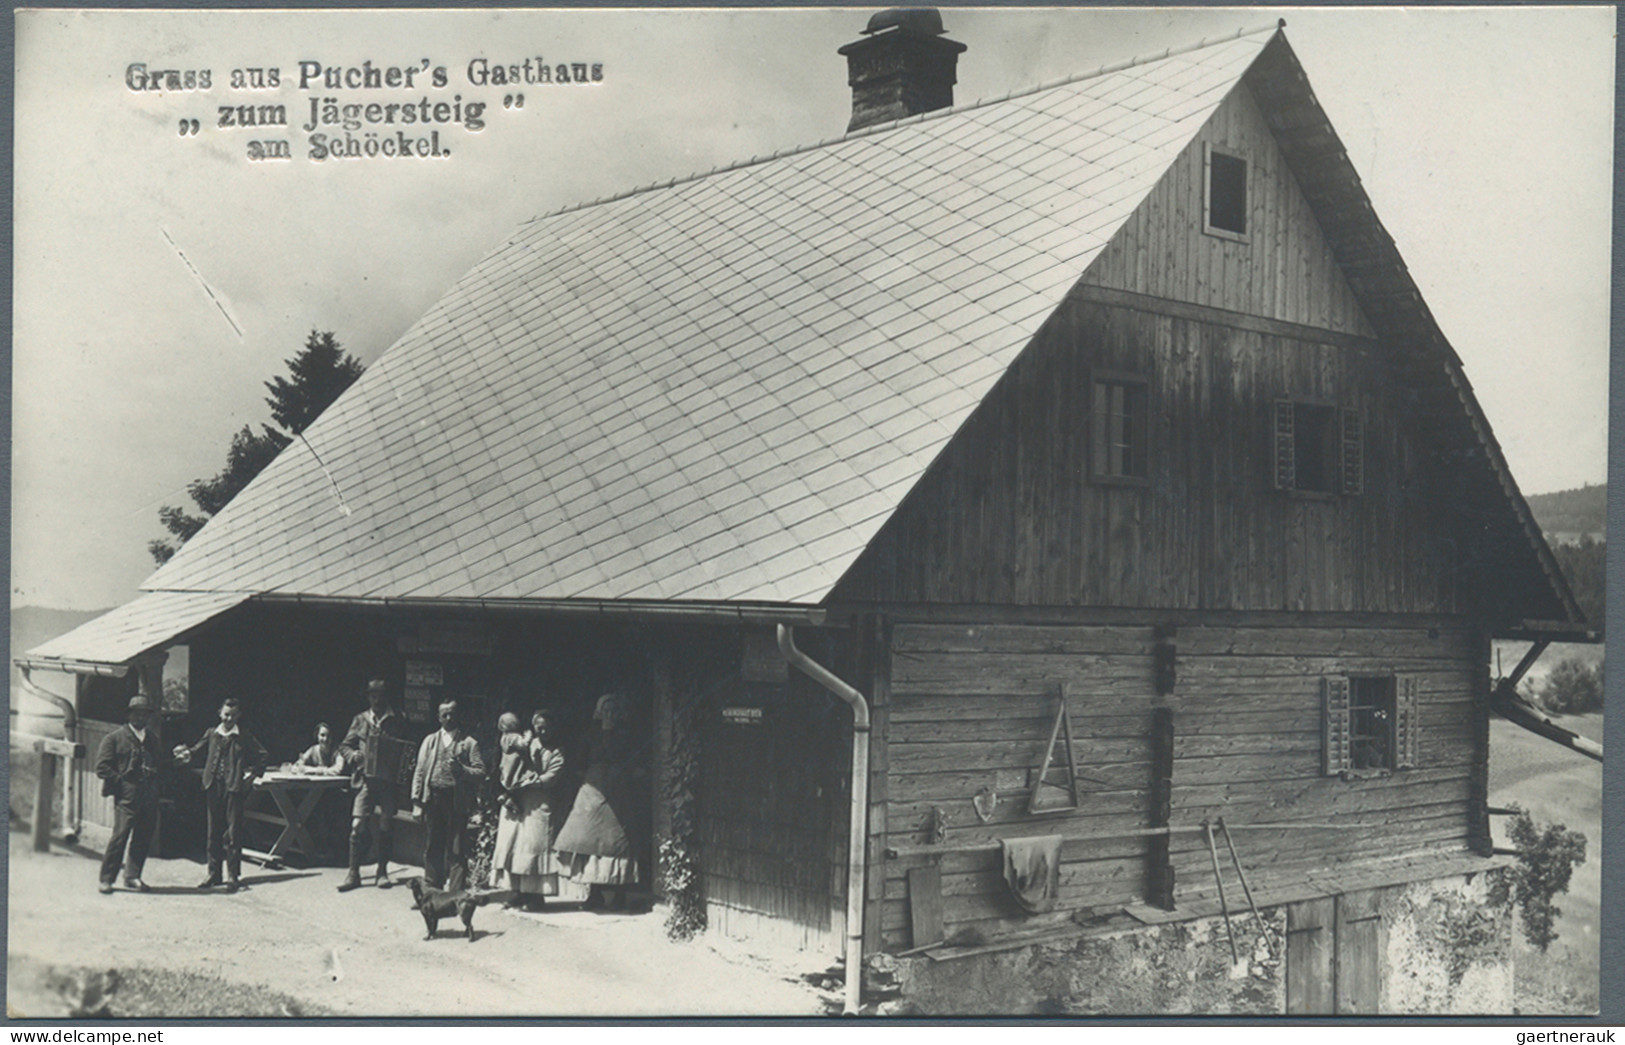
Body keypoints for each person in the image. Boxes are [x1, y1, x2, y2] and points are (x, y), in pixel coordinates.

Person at [554, 693, 644, 910]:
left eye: (613, 711)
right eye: (606, 710)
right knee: (590, 842)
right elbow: (579, 764)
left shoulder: (625, 735)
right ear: (598, 712)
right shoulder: (589, 736)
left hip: (618, 794)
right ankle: (594, 895)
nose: (609, 714)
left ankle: (619, 895)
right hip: (593, 795)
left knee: (618, 843)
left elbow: (636, 763)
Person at [174, 696, 267, 894]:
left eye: (233, 715)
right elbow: (196, 750)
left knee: (233, 833)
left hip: (234, 788)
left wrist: (250, 778)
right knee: (212, 831)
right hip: (212, 786)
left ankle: (233, 876)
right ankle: (213, 874)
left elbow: (262, 756)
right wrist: (185, 754)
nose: (229, 719)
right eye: (226, 715)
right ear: (219, 713)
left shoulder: (243, 735)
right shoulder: (212, 733)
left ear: (239, 716)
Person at [337, 678, 411, 892]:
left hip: (387, 782)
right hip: (365, 781)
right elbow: (344, 745)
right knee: (357, 824)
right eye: (372, 695)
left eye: (379, 695)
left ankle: (382, 871)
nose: (375, 699)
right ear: (368, 697)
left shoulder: (398, 718)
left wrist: (401, 769)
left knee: (386, 822)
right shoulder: (360, 719)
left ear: (385, 696)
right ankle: (353, 873)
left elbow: (407, 749)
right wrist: (353, 756)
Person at [490, 709, 565, 911]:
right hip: (519, 803)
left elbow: (553, 776)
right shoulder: (526, 743)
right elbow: (504, 765)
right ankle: (517, 891)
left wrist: (533, 782)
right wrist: (506, 793)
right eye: (539, 727)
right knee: (515, 847)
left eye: (547, 728)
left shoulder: (557, 751)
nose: (543, 731)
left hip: (539, 802)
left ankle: (536, 896)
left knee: (535, 849)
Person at [93, 694, 166, 894]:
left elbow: (161, 764)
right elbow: (102, 767)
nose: (140, 717)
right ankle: (106, 879)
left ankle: (133, 876)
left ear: (148, 717)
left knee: (143, 837)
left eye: (144, 714)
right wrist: (122, 782)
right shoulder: (114, 738)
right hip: (127, 797)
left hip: (149, 795)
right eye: (136, 713)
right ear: (129, 715)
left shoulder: (152, 739)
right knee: (120, 836)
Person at [411, 699, 485, 890]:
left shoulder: (469, 743)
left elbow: (480, 772)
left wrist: (461, 770)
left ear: (458, 715)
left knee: (456, 847)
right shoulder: (430, 741)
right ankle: (432, 889)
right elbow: (419, 771)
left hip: (456, 800)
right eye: (444, 714)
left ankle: (455, 894)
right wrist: (417, 803)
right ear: (438, 717)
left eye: (452, 713)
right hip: (433, 798)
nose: (449, 718)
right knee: (433, 844)